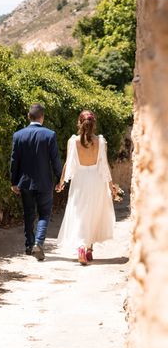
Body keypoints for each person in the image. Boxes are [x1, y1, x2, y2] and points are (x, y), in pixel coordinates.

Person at [56, 110, 117, 265]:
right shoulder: (101, 141)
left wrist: (61, 182)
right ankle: (89, 249)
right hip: (96, 181)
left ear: (79, 123)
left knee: (80, 214)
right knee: (93, 213)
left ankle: (82, 247)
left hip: (80, 181)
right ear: (93, 124)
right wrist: (111, 186)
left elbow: (68, 164)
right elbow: (104, 166)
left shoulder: (73, 141)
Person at [10, 103, 63, 261]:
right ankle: (38, 244)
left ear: (28, 116)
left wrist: (14, 181)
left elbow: (14, 161)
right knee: (44, 214)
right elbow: (55, 160)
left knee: (28, 213)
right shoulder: (49, 135)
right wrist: (60, 180)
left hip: (25, 183)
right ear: (43, 117)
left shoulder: (18, 135)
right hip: (45, 182)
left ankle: (28, 245)